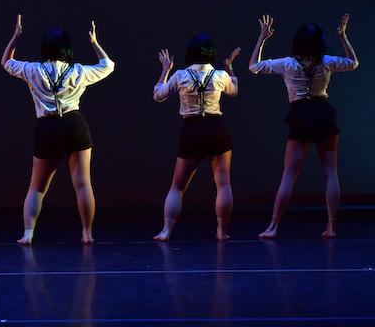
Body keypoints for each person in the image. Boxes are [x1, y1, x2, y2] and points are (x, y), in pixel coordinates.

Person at [1, 15, 114, 245]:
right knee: (82, 183)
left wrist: (15, 37)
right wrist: (95, 43)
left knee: (37, 187)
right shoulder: (79, 72)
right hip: (75, 125)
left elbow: (6, 62)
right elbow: (108, 66)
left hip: (48, 128)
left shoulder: (33, 70)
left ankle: (28, 233)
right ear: (68, 50)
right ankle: (87, 233)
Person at [250, 14, 358, 239]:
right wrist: (344, 37)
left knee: (289, 174)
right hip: (323, 112)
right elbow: (353, 63)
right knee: (330, 172)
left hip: (301, 114)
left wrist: (262, 37)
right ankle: (331, 227)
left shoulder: (288, 64)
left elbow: (254, 66)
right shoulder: (326, 62)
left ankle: (273, 227)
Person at [152, 34, 240, 241]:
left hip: (192, 129)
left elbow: (158, 95)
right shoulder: (220, 75)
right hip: (216, 128)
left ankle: (166, 231)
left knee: (177, 186)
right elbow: (234, 91)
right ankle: (222, 231)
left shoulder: (180, 75)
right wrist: (230, 68)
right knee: (224, 184)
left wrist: (165, 70)